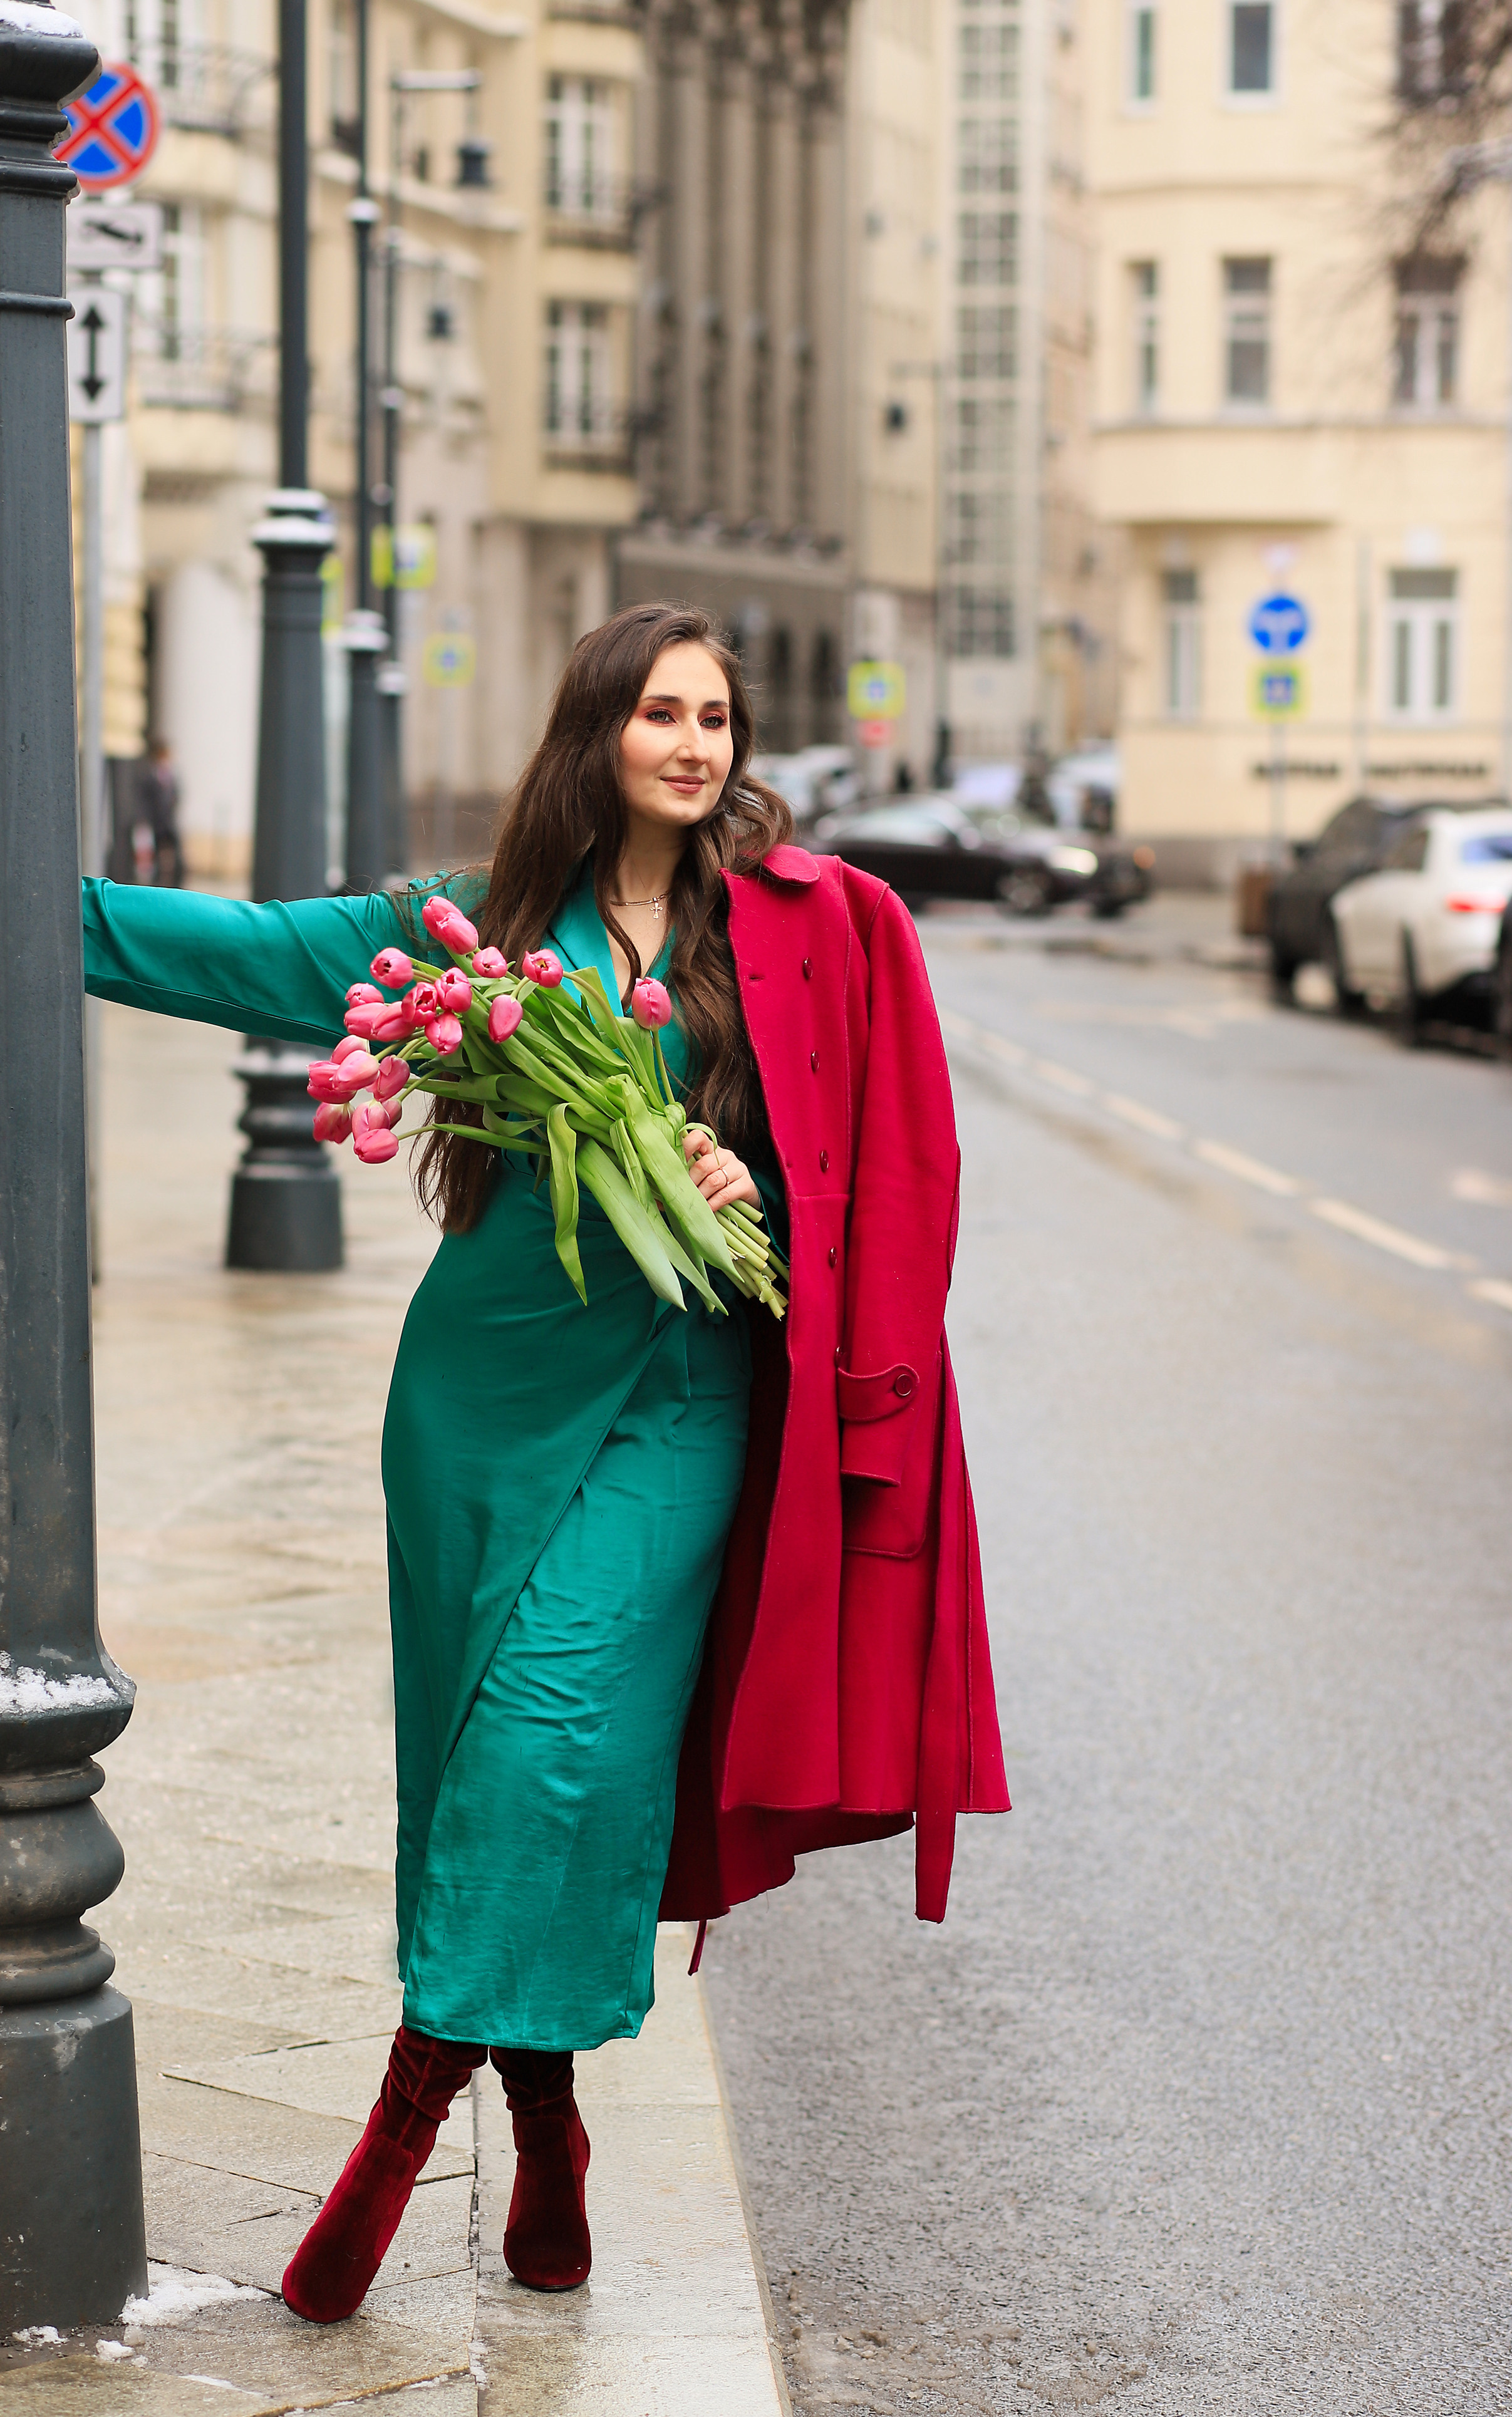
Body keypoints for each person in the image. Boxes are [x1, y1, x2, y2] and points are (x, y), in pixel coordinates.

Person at [81, 601, 1007, 2326]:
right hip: (480, 1406)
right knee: (470, 1765)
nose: (692, 744)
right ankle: (546, 2118)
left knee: (550, 1746)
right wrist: (39, 902)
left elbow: (874, 1157)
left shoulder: (791, 929)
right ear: (596, 731)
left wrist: (753, 1182)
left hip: (682, 1405)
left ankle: (395, 2133)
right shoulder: (479, 933)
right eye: (659, 712)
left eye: (713, 718)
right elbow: (237, 952)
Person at [138, 738, 184, 888]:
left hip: (169, 820)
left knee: (177, 852)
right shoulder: (150, 774)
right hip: (156, 821)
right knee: (156, 852)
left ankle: (178, 881)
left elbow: (176, 794)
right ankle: (157, 881)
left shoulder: (172, 773)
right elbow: (146, 798)